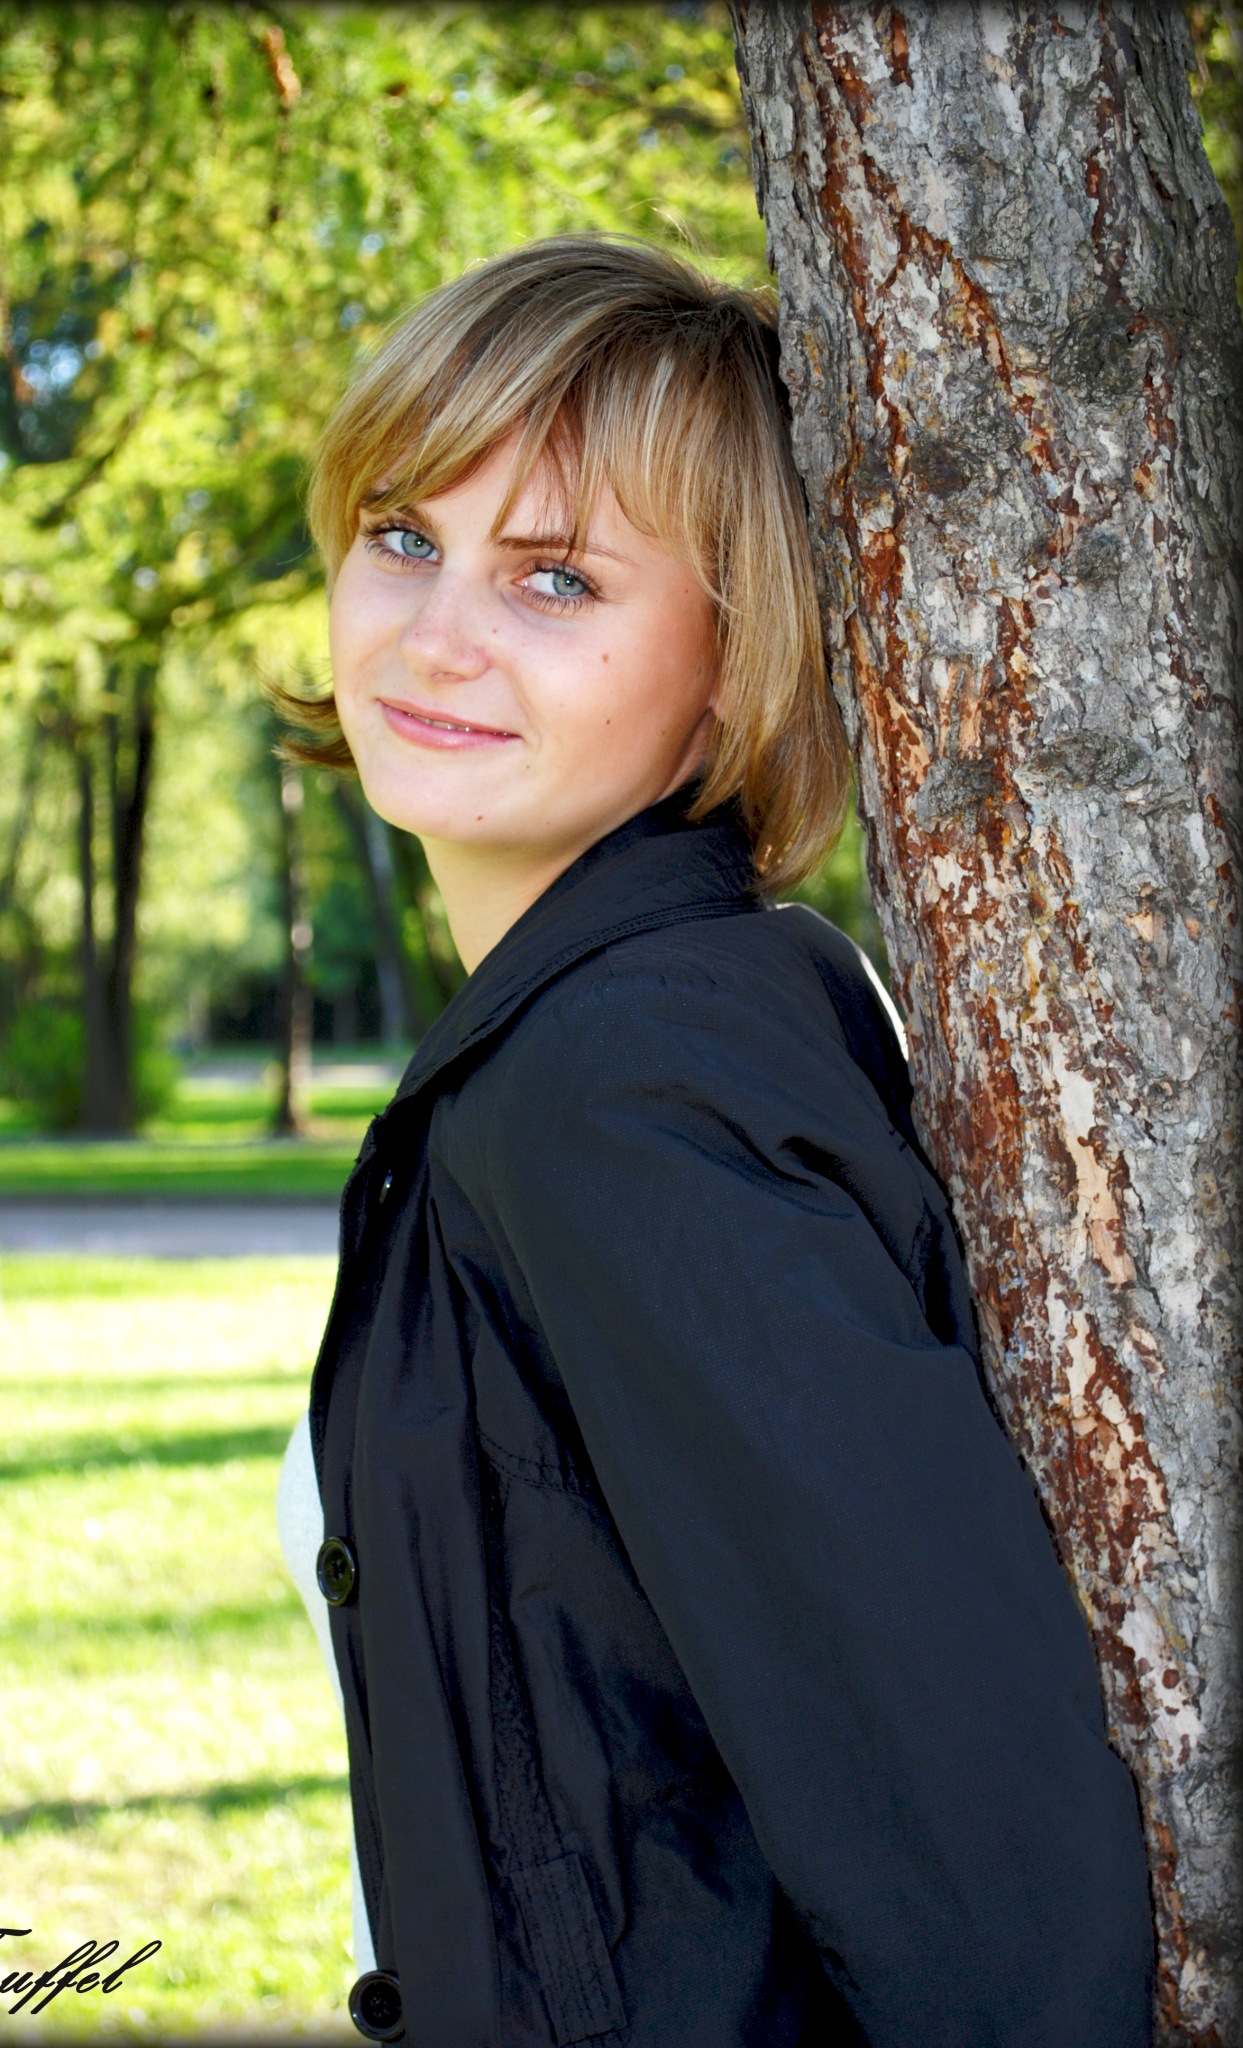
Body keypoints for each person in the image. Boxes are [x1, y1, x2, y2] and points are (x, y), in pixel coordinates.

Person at [274, 235, 1154, 2047]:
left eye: (558, 577)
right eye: (404, 535)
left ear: (734, 653)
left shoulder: (628, 1081)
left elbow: (979, 1884)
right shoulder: (600, 1033)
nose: (435, 635)